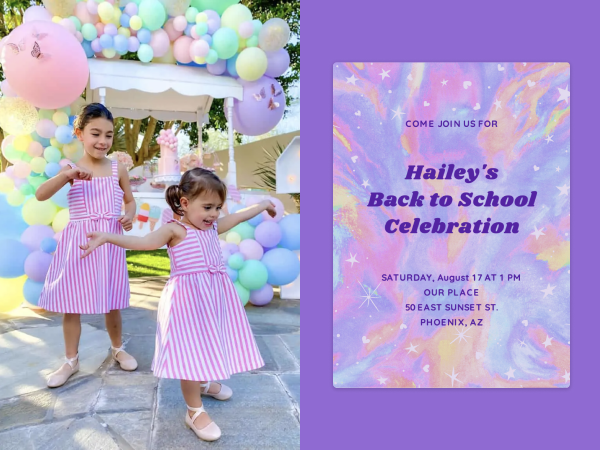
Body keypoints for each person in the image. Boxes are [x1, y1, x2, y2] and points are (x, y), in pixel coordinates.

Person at [80, 168, 273, 442]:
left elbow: (240, 216)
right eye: (207, 207)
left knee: (210, 341)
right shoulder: (176, 230)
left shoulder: (214, 226)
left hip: (213, 299)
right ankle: (194, 411)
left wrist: (263, 204)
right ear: (185, 204)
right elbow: (143, 242)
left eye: (218, 207)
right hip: (187, 303)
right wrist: (107, 237)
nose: (214, 214)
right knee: (191, 351)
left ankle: (203, 382)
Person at [36, 103, 138, 388]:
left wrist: (128, 215)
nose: (103, 141)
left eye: (108, 135)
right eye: (95, 134)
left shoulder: (118, 168)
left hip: (110, 242)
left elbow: (129, 200)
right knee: (73, 303)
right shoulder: (70, 168)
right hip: (80, 243)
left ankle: (117, 347)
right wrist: (68, 175)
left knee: (111, 301)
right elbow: (41, 194)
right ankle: (71, 359)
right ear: (79, 134)